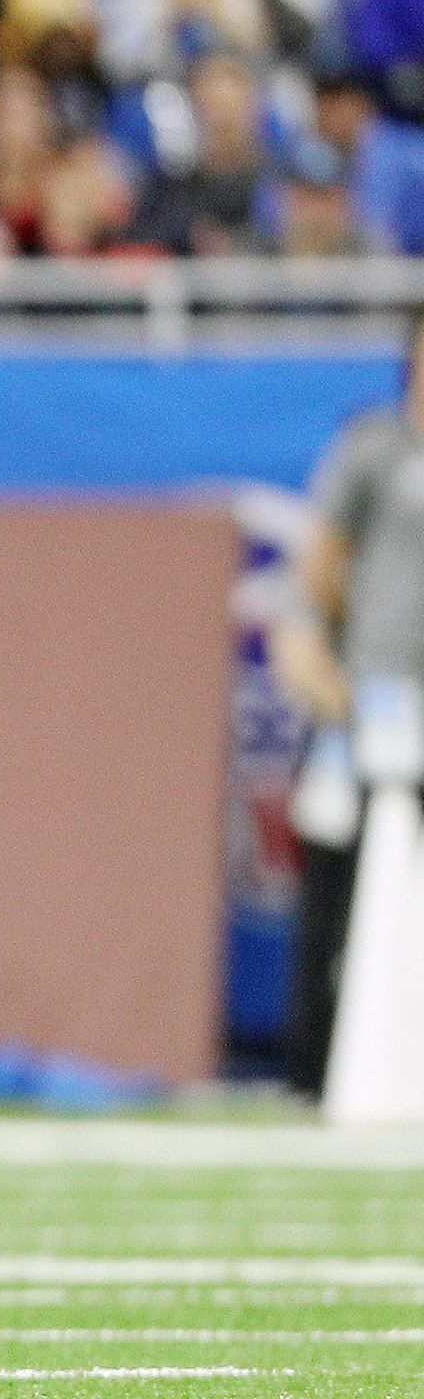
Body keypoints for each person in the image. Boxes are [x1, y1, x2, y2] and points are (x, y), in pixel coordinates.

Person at [271, 309, 424, 1098]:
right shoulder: (378, 450)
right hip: (383, 703)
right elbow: (321, 565)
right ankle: (317, 1070)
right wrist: (323, 666)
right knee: (340, 893)